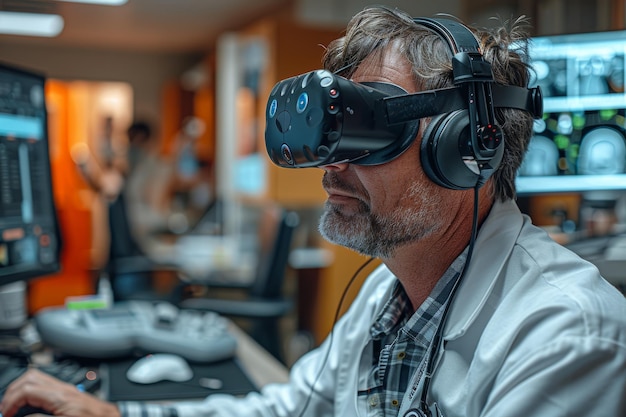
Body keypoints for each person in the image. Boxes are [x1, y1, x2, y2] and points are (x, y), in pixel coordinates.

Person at [2, 6, 626, 417]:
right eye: (334, 129)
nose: (330, 165)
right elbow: (290, 407)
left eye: (367, 128)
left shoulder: (566, 335)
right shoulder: (389, 290)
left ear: (465, 148)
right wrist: (116, 414)